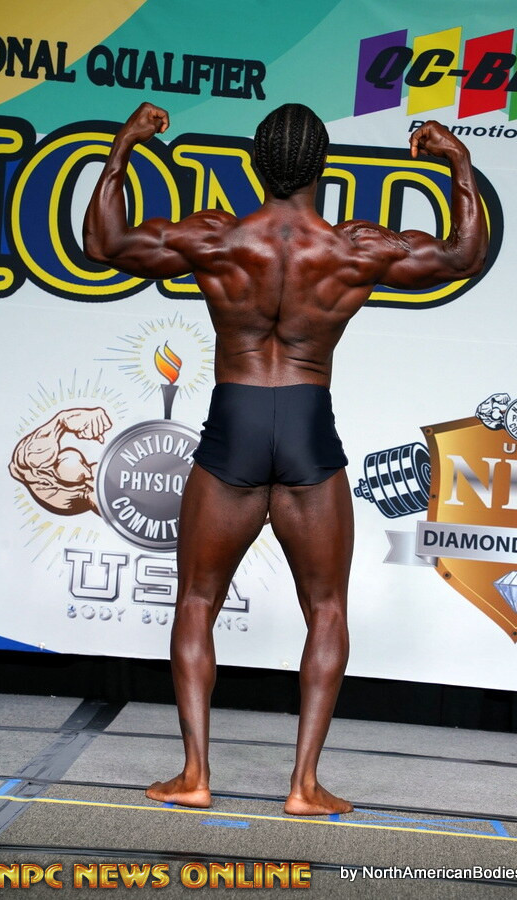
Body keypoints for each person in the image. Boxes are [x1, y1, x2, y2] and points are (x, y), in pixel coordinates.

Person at [83, 102, 487, 815]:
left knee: (197, 601)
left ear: (254, 165)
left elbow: (102, 241)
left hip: (234, 425)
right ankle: (303, 786)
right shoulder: (354, 248)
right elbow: (462, 256)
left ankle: (195, 775)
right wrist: (457, 161)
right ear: (323, 169)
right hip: (306, 426)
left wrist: (125, 145)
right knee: (326, 608)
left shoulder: (217, 236)